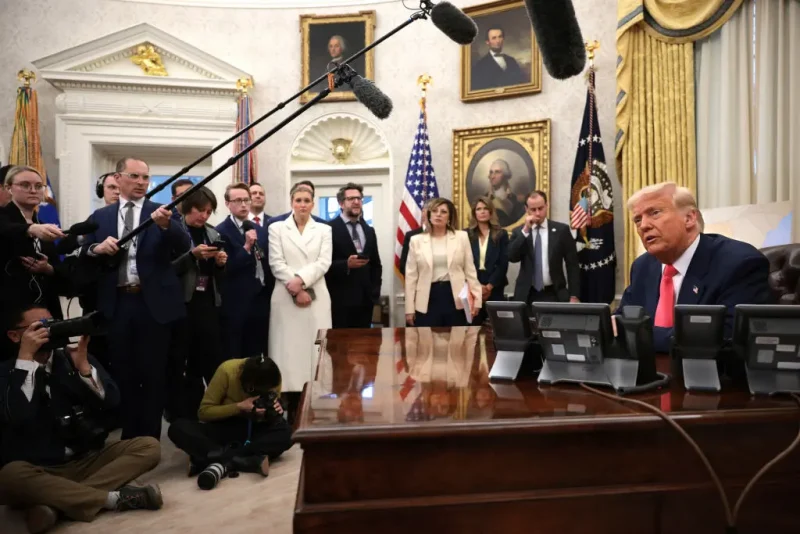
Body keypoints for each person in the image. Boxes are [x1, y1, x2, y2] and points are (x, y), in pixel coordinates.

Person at [0, 305, 163, 533]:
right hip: (39, 469)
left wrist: (84, 369)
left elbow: (112, 401)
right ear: (15, 335)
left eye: (52, 324)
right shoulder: (6, 373)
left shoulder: (70, 358)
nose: (48, 332)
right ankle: (112, 499)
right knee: (9, 475)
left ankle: (55, 506)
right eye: (39, 327)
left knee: (149, 446)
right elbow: (19, 415)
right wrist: (26, 358)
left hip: (85, 459)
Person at [82, 156, 191, 440]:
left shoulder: (162, 211)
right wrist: (95, 248)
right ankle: (129, 439)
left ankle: (150, 439)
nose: (142, 182)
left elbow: (183, 246)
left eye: (146, 178)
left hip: (153, 305)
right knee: (123, 373)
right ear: (117, 179)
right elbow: (83, 252)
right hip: (117, 304)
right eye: (135, 176)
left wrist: (167, 226)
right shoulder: (101, 217)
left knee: (154, 374)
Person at [618, 182, 773, 353]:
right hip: (646, 376)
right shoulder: (643, 267)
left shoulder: (739, 263)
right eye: (638, 220)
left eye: (655, 213)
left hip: (713, 376)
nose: (644, 225)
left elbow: (726, 339)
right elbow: (619, 320)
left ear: (689, 218)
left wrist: (638, 334)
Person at [168, 355, 292, 489]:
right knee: (177, 428)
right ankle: (246, 460)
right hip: (224, 427)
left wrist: (275, 409)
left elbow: (273, 412)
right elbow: (204, 412)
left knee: (288, 433)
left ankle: (210, 459)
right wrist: (238, 407)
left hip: (255, 428)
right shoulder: (227, 370)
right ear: (247, 384)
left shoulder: (273, 378)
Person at [268, 182, 332, 423]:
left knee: (315, 352)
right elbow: (276, 262)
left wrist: (302, 281)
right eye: (298, 200)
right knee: (288, 353)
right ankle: (290, 408)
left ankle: (314, 407)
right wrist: (295, 288)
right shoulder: (276, 228)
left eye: (307, 201)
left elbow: (323, 262)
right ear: (291, 202)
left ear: (313, 203)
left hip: (317, 297)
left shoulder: (324, 230)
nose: (303, 205)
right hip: (286, 296)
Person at [170, 187, 228, 416]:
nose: (203, 216)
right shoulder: (174, 231)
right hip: (180, 304)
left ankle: (211, 409)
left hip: (207, 304)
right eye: (199, 210)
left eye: (208, 211)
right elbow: (167, 270)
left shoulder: (213, 234)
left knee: (211, 357)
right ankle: (184, 411)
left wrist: (221, 263)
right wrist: (192, 256)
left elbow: (220, 278)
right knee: (183, 361)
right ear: (186, 207)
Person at [0, 166, 72, 324]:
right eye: (25, 185)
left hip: (44, 308)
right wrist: (30, 228)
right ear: (9, 188)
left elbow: (56, 267)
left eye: (38, 186)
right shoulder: (5, 218)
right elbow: (6, 230)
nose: (33, 190)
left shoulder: (43, 224)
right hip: (10, 309)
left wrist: (48, 269)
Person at [405, 198, 482, 327]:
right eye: (434, 211)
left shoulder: (461, 237)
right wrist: (409, 309)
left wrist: (477, 300)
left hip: (455, 298)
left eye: (443, 212)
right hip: (427, 299)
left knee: (457, 342)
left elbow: (470, 271)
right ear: (429, 215)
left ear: (450, 217)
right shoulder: (416, 240)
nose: (438, 214)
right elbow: (411, 277)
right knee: (426, 343)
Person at [216, 183, 271, 360]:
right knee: (234, 353)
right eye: (238, 200)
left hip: (260, 299)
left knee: (257, 352)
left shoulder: (259, 230)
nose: (243, 204)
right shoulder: (220, 232)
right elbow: (225, 267)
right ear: (227, 204)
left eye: (246, 200)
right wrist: (246, 246)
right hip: (235, 302)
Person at [325, 182, 382, 329]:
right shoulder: (328, 229)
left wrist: (374, 293)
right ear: (341, 203)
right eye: (351, 199)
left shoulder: (369, 230)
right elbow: (322, 264)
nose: (356, 202)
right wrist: (346, 265)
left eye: (359, 198)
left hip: (365, 301)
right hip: (338, 300)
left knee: (363, 347)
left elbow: (376, 265)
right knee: (339, 347)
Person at [508, 190, 580, 304]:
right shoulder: (519, 232)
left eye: (541, 208)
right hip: (527, 295)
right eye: (533, 209)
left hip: (554, 293)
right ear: (526, 209)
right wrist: (526, 230)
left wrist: (574, 295)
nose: (537, 213)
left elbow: (573, 265)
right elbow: (512, 257)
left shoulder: (561, 231)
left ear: (547, 206)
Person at [466, 196, 509, 324]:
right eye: (479, 209)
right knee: (473, 327)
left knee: (496, 327)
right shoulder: (466, 234)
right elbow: (463, 263)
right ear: (474, 213)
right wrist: (476, 286)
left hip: (495, 285)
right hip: (473, 285)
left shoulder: (501, 234)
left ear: (491, 212)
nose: (482, 211)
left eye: (486, 208)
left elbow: (503, 263)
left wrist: (489, 286)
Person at [471, 26, 526, 92]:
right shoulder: (480, 65)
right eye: (494, 38)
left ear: (503, 39)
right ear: (487, 42)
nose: (498, 41)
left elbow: (522, 83)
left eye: (500, 37)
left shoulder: (511, 60)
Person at [484, 159, 526, 227]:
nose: (492, 176)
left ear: (505, 175)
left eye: (497, 172)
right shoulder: (484, 199)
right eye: (491, 172)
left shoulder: (515, 199)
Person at [399, 199, 432, 277]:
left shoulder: (448, 235)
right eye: (433, 211)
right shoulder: (411, 236)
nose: (437, 214)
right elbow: (403, 266)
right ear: (423, 212)